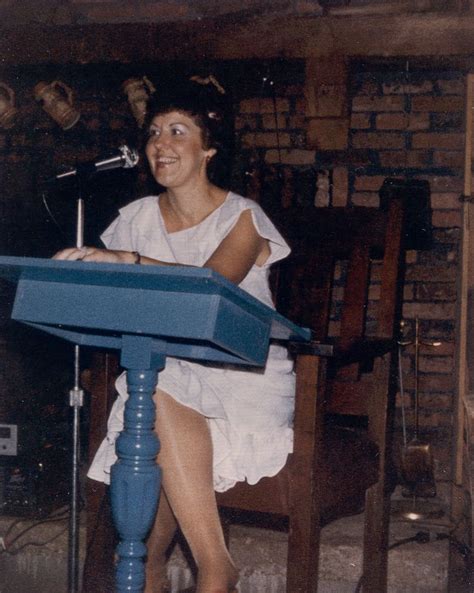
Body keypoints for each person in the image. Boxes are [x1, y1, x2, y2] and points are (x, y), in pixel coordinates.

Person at [53, 79, 295, 593]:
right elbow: (110, 298)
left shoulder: (244, 217)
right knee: (153, 389)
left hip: (242, 376)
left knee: (150, 395)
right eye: (155, 133)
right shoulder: (135, 218)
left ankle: (213, 566)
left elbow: (212, 288)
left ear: (208, 148)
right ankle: (157, 567)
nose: (161, 144)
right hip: (165, 372)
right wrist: (72, 273)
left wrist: (127, 260)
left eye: (178, 132)